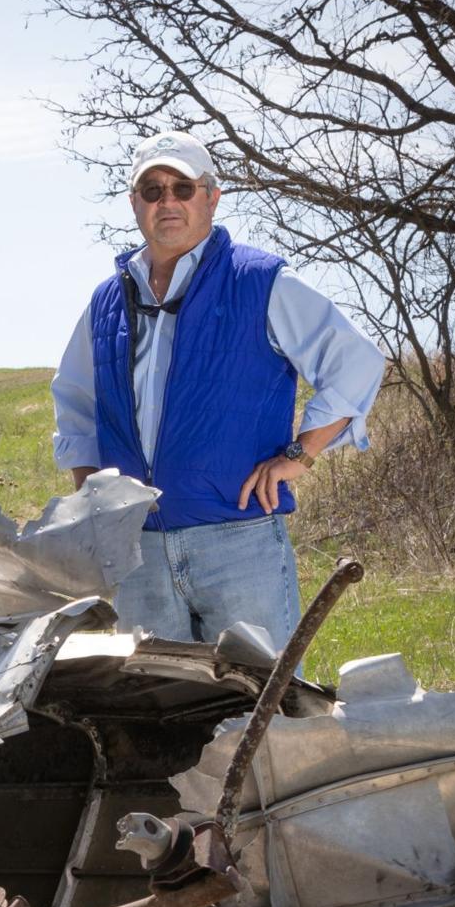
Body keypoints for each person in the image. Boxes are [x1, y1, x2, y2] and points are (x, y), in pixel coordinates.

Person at [52, 130, 385, 650]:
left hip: (238, 542)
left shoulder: (258, 279)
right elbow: (75, 402)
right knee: (159, 712)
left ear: (211, 196)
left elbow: (355, 360)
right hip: (138, 553)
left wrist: (300, 453)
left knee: (261, 710)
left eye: (182, 188)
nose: (168, 201)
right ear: (134, 202)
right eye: (153, 189)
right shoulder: (106, 302)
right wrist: (94, 498)